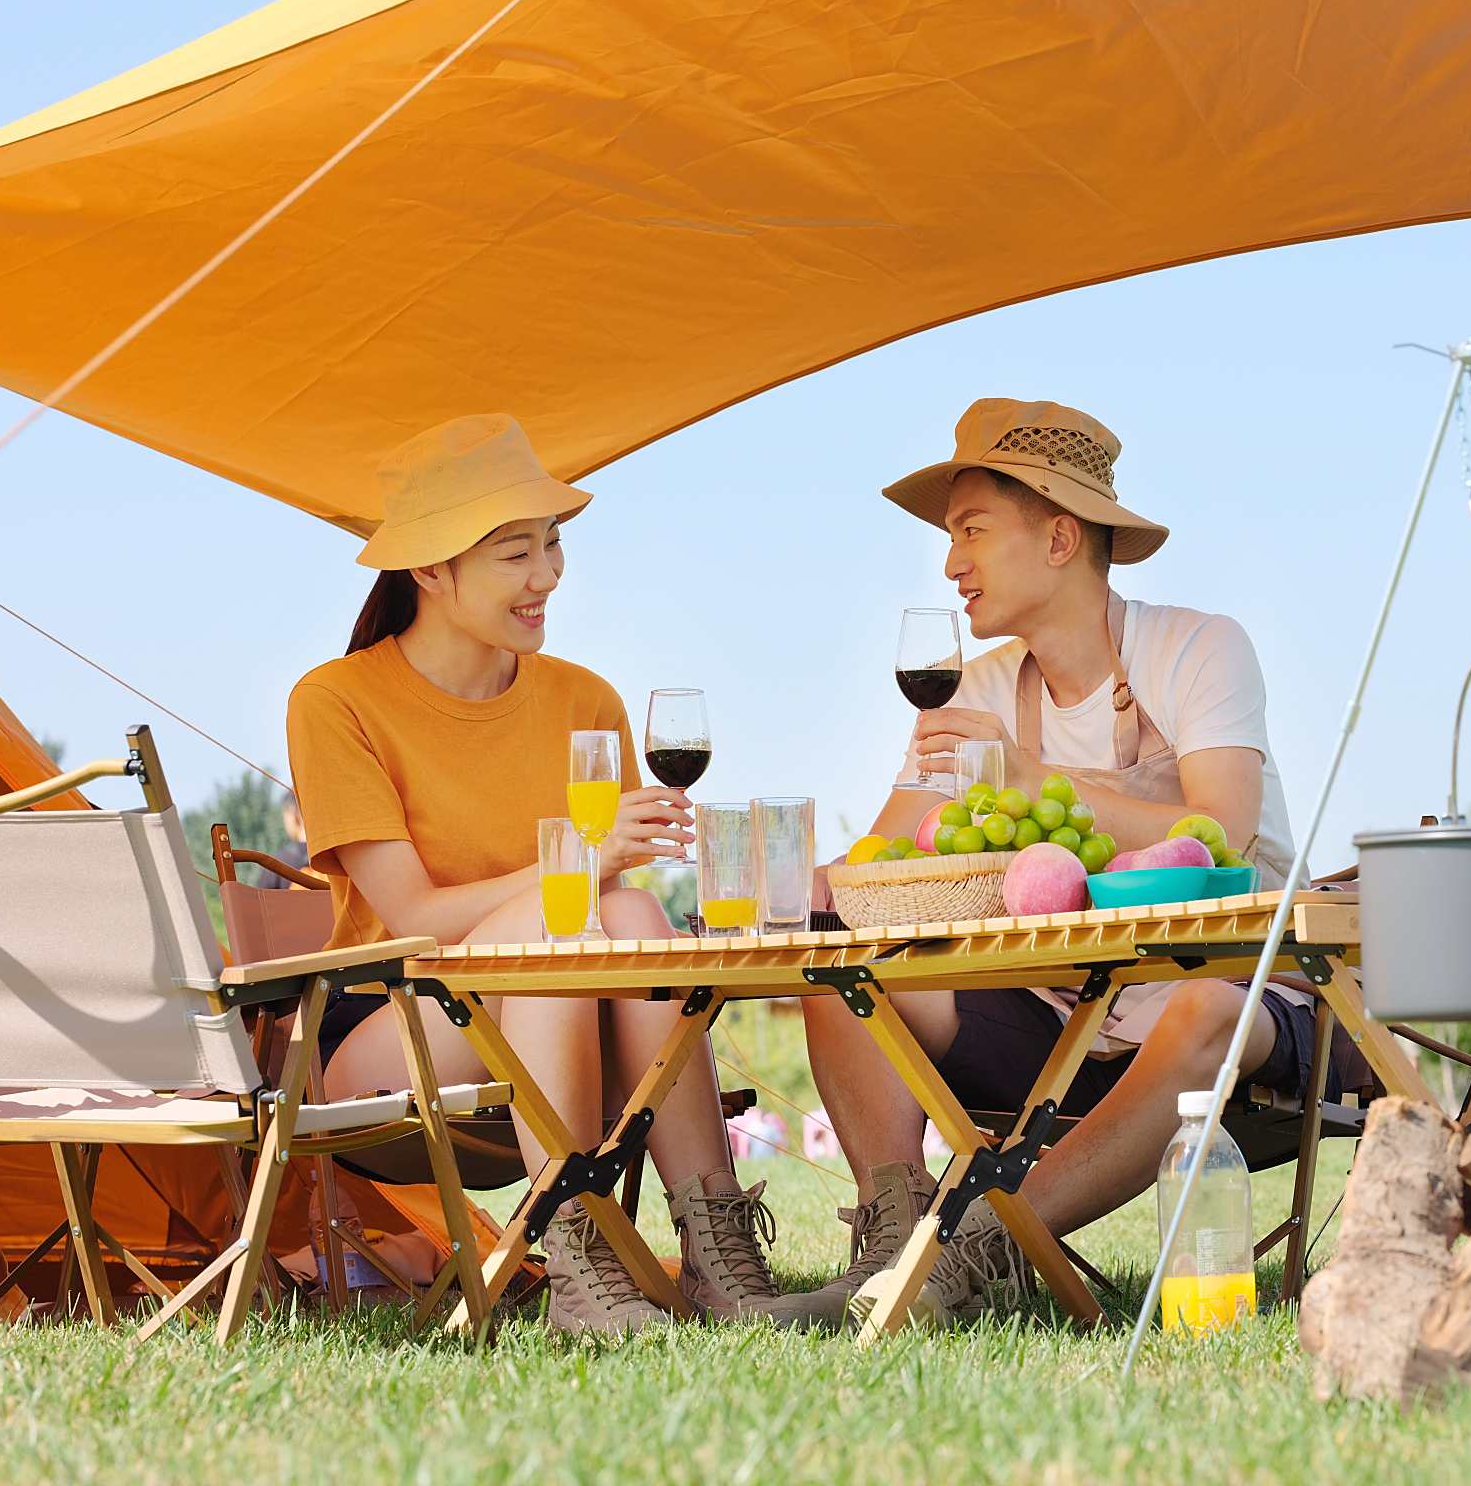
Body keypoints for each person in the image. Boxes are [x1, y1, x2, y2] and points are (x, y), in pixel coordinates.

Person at [770, 398, 1343, 1330]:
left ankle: (967, 1259)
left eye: (971, 530)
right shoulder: (984, 687)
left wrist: (1039, 776)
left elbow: (1222, 829)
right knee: (843, 957)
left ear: (1059, 537)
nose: (951, 563)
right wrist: (781, 880)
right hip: (1060, 1024)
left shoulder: (1199, 647)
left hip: (1238, 1006)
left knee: (1203, 1006)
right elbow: (879, 862)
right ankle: (891, 1242)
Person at [288, 414, 783, 1333]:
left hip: (561, 1011)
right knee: (578, 913)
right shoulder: (337, 701)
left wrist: (596, 875)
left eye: (552, 546)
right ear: (431, 570)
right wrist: (579, 857)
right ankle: (578, 1262)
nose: (548, 576)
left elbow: (601, 905)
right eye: (517, 553)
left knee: (628, 909)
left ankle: (719, 1257)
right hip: (397, 1020)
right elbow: (412, 915)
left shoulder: (582, 699)